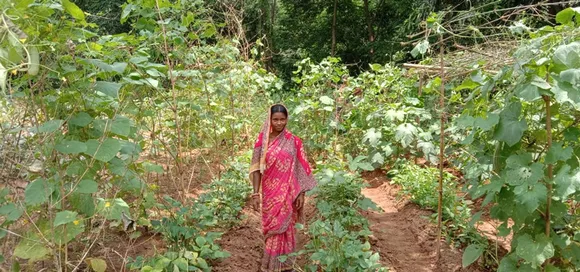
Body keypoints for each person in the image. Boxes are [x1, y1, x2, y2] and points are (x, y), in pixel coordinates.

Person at [249, 104, 317, 272]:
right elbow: (257, 168)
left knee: (287, 228)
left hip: (289, 194)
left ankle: (287, 265)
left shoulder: (294, 142)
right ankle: (270, 265)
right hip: (270, 193)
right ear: (270, 120)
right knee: (273, 229)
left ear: (287, 119)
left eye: (282, 119)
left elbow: (300, 169)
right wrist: (255, 193)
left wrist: (301, 193)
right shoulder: (262, 141)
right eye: (275, 119)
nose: (279, 123)